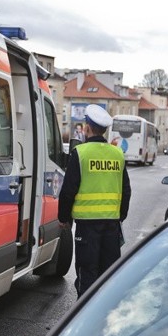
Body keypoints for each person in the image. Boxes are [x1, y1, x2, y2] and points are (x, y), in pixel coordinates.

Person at [58, 104, 131, 298]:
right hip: (112, 224)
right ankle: (104, 313)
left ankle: (84, 317)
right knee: (109, 273)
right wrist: (120, 215)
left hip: (87, 226)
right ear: (105, 130)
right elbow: (126, 190)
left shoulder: (80, 153)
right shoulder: (117, 154)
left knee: (87, 270)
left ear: (87, 128)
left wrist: (63, 218)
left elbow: (68, 190)